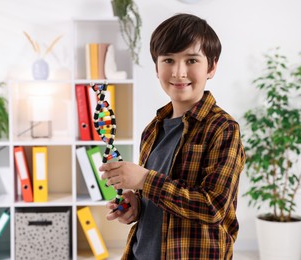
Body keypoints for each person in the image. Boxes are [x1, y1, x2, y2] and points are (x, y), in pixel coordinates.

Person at [99, 13, 245, 260]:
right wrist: (136, 206)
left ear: (211, 67)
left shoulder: (223, 128)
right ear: (157, 68)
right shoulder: (151, 130)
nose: (178, 72)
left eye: (191, 60)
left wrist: (145, 180)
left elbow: (213, 207)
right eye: (168, 60)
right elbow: (159, 201)